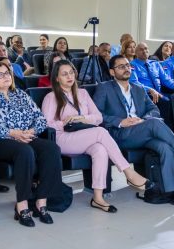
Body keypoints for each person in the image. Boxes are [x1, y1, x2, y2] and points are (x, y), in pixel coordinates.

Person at [94, 55, 174, 210]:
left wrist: (143, 120)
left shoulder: (138, 89)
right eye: (121, 66)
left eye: (127, 65)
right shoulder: (104, 88)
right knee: (154, 124)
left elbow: (154, 110)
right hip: (119, 134)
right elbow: (97, 115)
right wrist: (120, 121)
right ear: (112, 72)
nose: (126, 69)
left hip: (142, 130)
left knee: (165, 147)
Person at [41, 59, 153, 213]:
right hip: (63, 138)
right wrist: (65, 122)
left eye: (71, 72)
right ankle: (128, 171)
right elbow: (46, 125)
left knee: (100, 149)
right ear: (56, 78)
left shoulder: (83, 93)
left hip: (84, 134)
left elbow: (98, 117)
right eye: (64, 74)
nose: (69, 76)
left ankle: (98, 198)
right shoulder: (50, 97)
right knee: (101, 132)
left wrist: (83, 119)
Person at [0, 59, 62, 227]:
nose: (6, 77)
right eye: (1, 74)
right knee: (25, 151)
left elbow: (40, 119)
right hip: (0, 141)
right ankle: (22, 204)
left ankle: (41, 201)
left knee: (52, 148)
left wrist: (32, 131)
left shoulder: (20, 94)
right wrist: (12, 133)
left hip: (26, 136)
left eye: (8, 73)